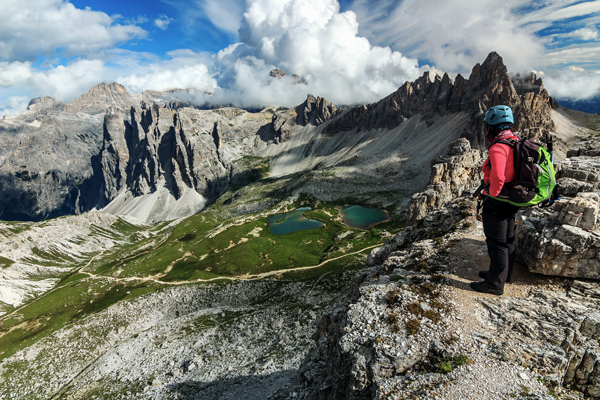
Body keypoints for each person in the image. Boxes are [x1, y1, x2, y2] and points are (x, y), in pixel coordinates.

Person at [470, 105, 520, 296]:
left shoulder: (499, 147)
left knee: (496, 242)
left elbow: (498, 176)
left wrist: (491, 193)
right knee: (508, 239)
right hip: (513, 198)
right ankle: (503, 274)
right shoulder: (515, 141)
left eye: (487, 125)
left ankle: (494, 283)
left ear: (492, 126)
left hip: (499, 199)